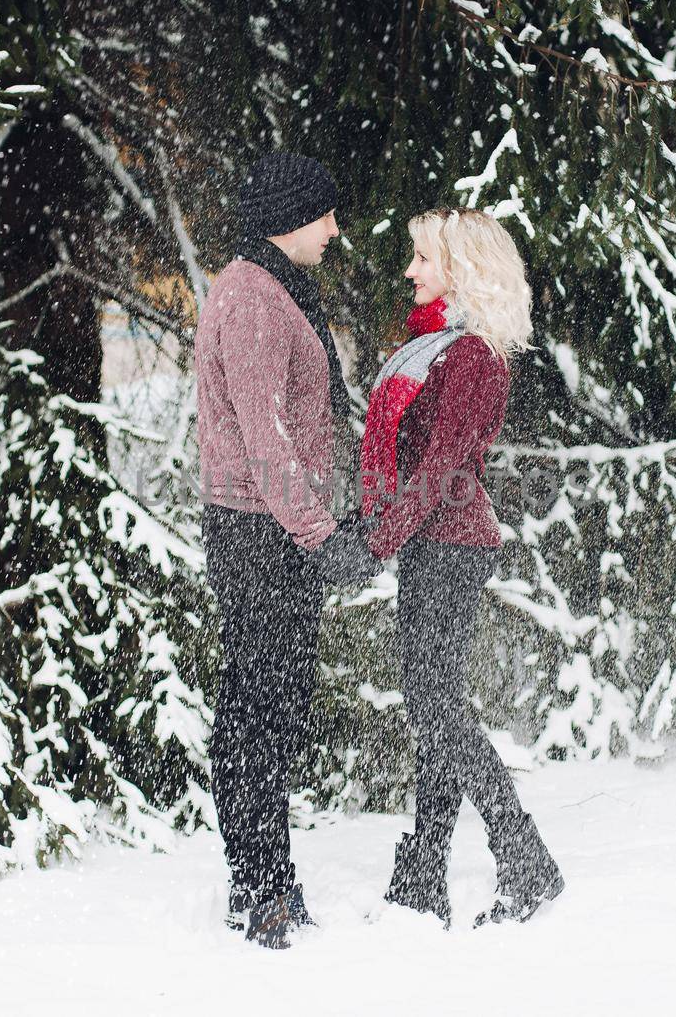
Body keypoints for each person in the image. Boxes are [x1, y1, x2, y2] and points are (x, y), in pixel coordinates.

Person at [194, 151, 382, 950]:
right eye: (325, 215)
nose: (336, 230)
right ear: (289, 217)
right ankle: (261, 885)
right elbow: (267, 441)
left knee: (267, 706)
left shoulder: (269, 287)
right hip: (260, 532)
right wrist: (322, 537)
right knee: (260, 712)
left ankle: (262, 876)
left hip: (268, 529)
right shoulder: (255, 301)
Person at [360, 207, 564, 928]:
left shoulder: (472, 354)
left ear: (463, 270)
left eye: (423, 258)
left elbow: (445, 464)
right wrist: (385, 529)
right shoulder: (437, 348)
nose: (411, 270)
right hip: (431, 540)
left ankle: (524, 858)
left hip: (449, 541)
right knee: (433, 704)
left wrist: (379, 538)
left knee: (436, 704)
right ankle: (423, 875)